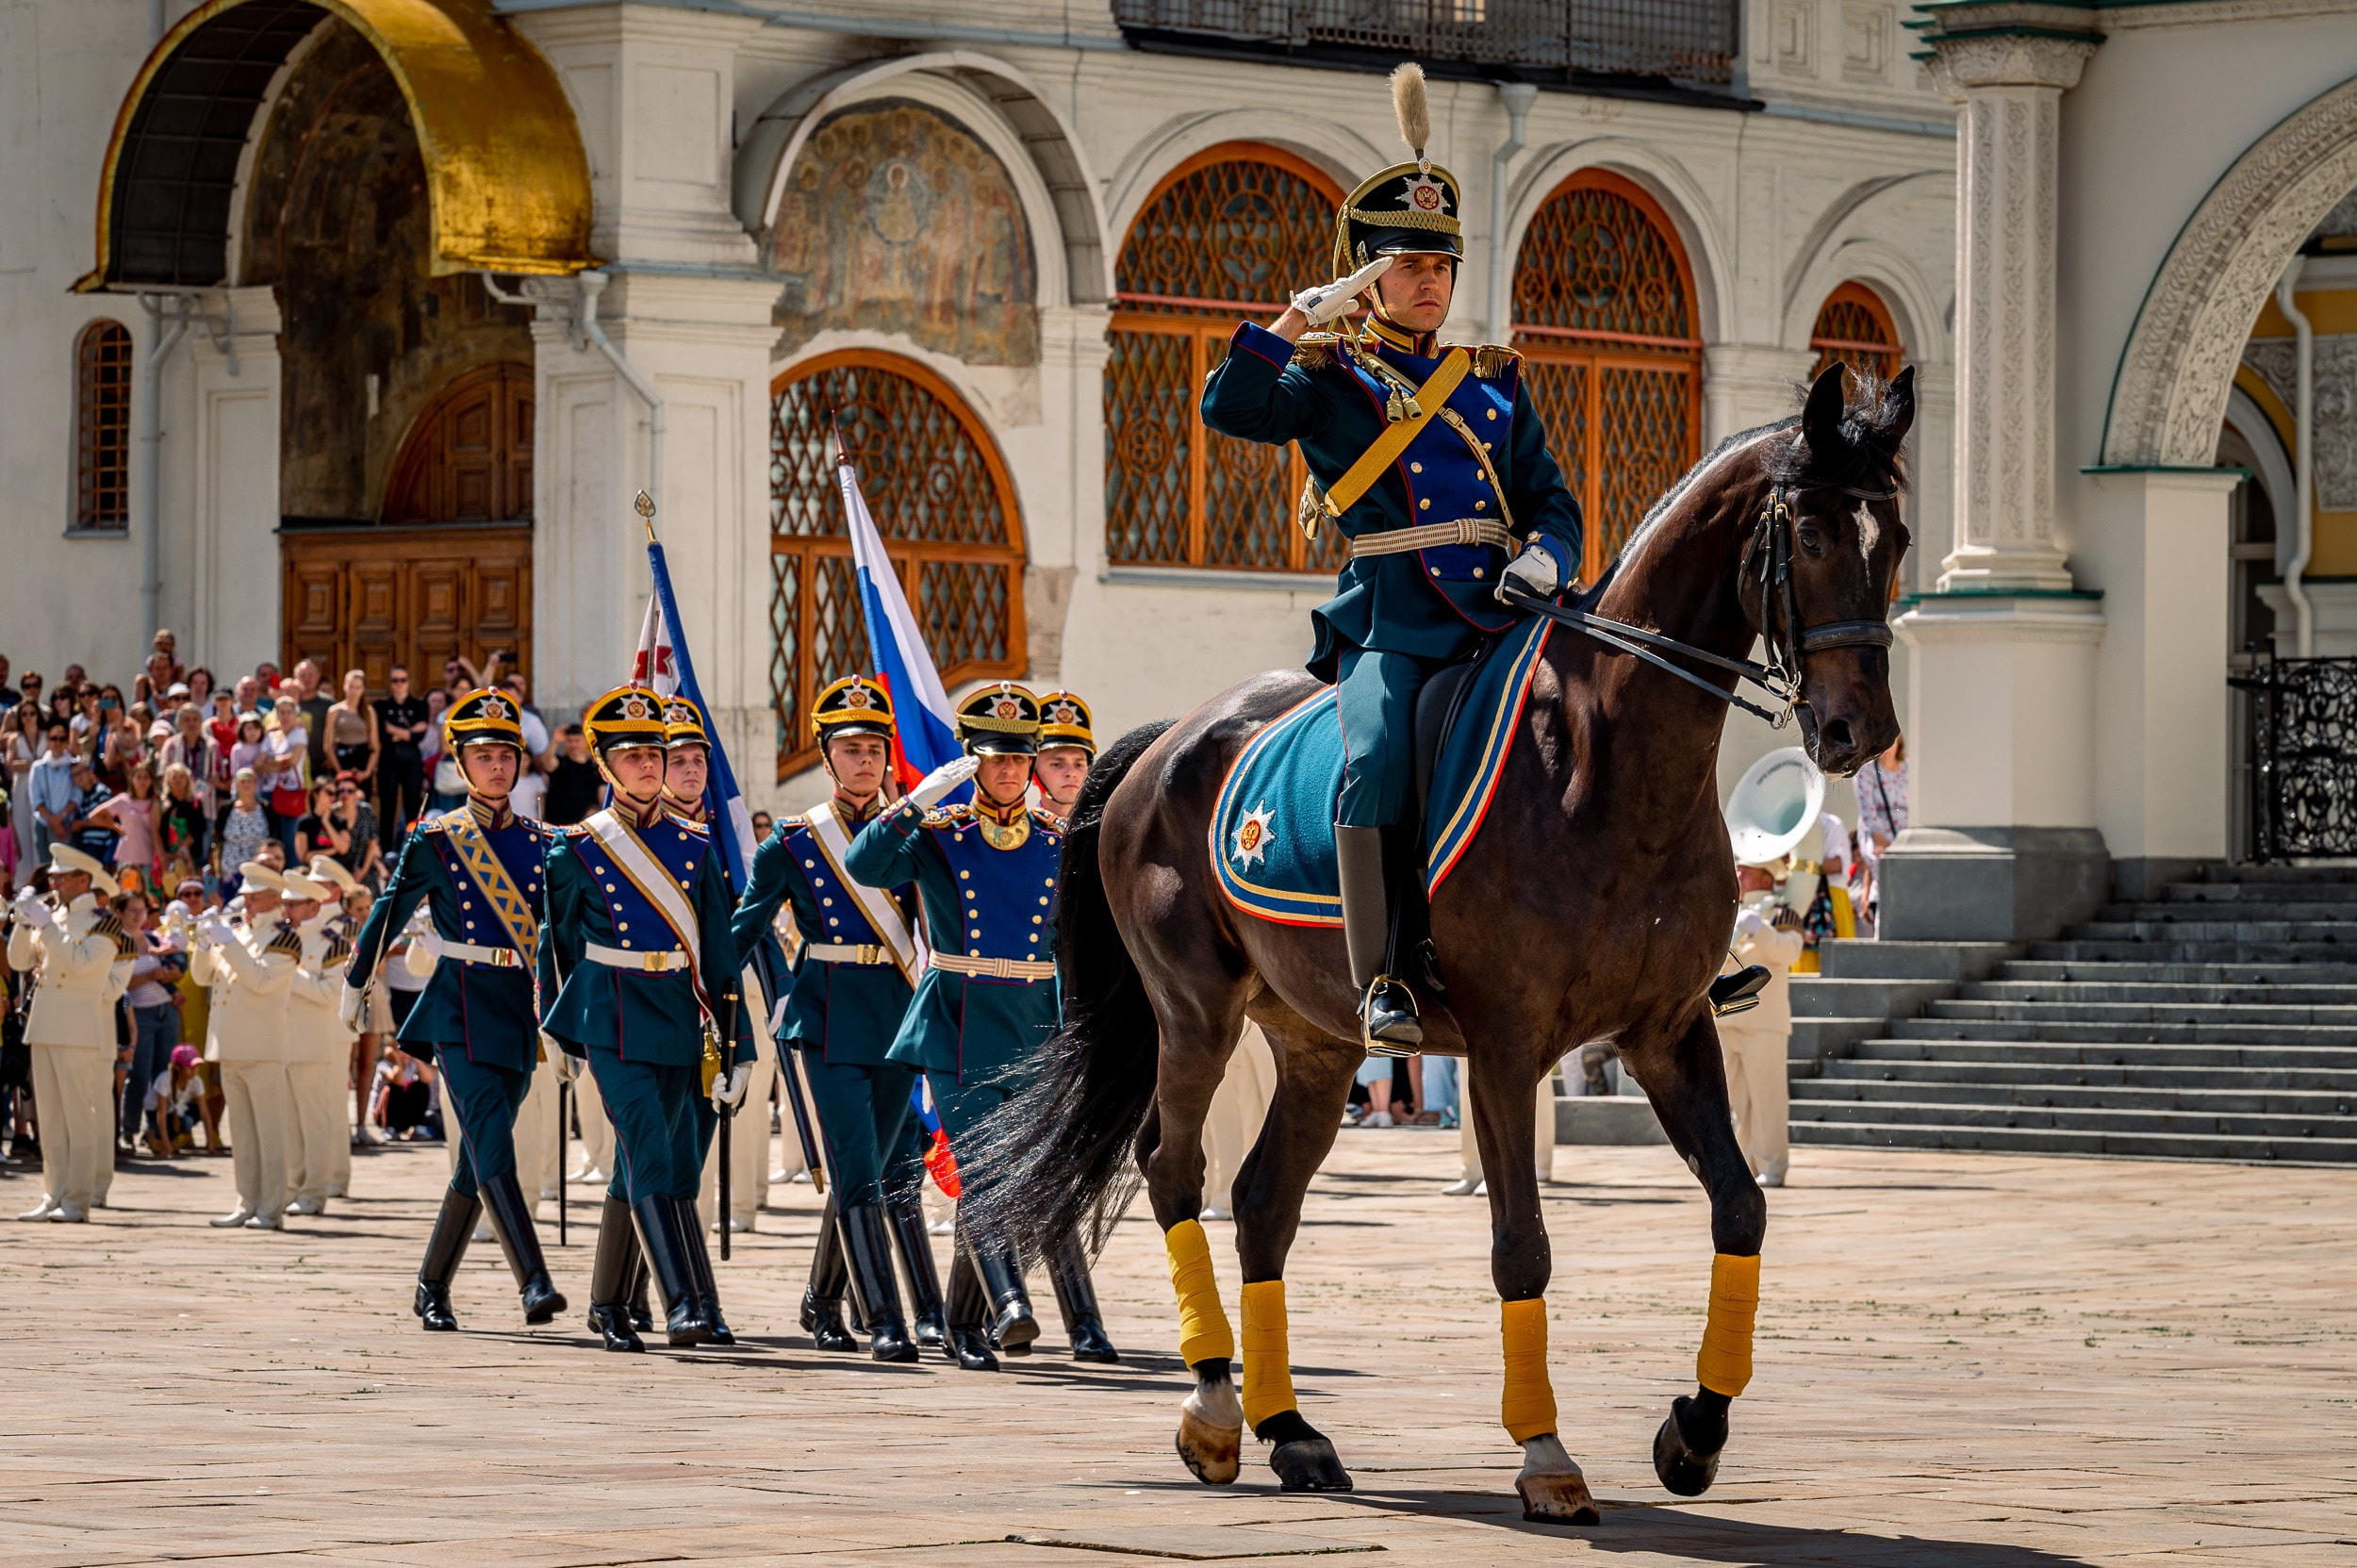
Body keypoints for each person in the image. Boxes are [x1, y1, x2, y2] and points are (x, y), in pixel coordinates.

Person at [1197, 67, 1584, 1049]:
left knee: (1617, 715)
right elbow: (1230, 409)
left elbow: (1551, 497)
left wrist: (1546, 554)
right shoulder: (1328, 378)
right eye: (1405, 267)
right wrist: (1293, 320)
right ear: (1366, 275)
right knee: (1372, 760)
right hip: (1395, 618)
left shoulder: (1494, 385)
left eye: (1439, 267)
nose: (1428, 282)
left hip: (1507, 611)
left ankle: (1652, 949)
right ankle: (1383, 982)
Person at [846, 684, 1116, 1369]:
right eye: (996, 759)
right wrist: (916, 801)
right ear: (972, 761)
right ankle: (1011, 1302)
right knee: (983, 1168)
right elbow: (864, 864)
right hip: (958, 1018)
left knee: (1019, 1170)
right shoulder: (941, 836)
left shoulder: (1058, 841)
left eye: (1020, 760)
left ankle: (965, 1325)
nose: (1010, 771)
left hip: (1031, 1022)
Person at [342, 688, 566, 1331]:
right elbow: (388, 907)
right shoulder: (437, 837)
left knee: (476, 1159)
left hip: (518, 1012)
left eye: (507, 755)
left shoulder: (541, 841)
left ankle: (430, 1283)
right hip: (458, 1009)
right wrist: (356, 978)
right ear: (460, 765)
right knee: (492, 1139)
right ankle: (535, 1279)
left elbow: (560, 931)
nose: (498, 767)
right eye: (484, 755)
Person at [537, 685, 745, 1353]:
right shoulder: (577, 849)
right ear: (603, 766)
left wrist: (735, 1045)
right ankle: (683, 1300)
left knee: (657, 1164)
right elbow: (557, 946)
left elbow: (717, 948)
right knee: (649, 1149)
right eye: (631, 756)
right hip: (613, 1017)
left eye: (655, 752)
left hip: (679, 1016)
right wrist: (559, 1029)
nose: (649, 765)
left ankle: (607, 1303)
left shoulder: (695, 845)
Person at [731, 676, 925, 1362]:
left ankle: (821, 1296)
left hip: (897, 1016)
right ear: (826, 757)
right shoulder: (791, 842)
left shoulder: (913, 836)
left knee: (863, 1166)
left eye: (875, 747)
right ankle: (885, 1317)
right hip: (828, 1017)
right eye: (851, 748)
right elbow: (743, 930)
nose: (865, 760)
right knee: (857, 1168)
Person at [654, 696, 774, 1253]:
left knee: (693, 1156)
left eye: (699, 759)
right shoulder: (637, 841)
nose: (692, 769)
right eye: (678, 760)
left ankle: (689, 1279)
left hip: (710, 1014)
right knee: (649, 1160)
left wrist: (741, 1043)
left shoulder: (719, 840)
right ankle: (627, 1290)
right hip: (648, 1013)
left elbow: (731, 942)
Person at [7, 845, 137, 1220]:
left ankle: (78, 1199)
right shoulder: (56, 917)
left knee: (79, 1116)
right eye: (54, 877)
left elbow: (81, 965)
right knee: (49, 1118)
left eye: (62, 877)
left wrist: (45, 927)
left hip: (78, 1027)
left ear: (83, 881)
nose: (54, 882)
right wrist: (22, 921)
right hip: (45, 1023)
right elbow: (19, 961)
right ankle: (54, 1193)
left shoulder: (103, 923)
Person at [190, 863, 301, 1230]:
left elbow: (262, 981)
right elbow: (202, 977)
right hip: (230, 1043)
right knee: (242, 1132)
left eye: (254, 898)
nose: (247, 904)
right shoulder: (238, 933)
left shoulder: (284, 938)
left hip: (263, 1045)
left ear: (274, 899)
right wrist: (204, 945)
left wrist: (229, 943)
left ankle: (271, 1208)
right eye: (246, 898)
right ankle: (246, 1200)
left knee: (269, 1131)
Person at [1720, 858, 1806, 1187]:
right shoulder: (1729, 910)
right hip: (1728, 1017)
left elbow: (1790, 953)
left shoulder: (1783, 913)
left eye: (1746, 871)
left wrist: (1762, 929)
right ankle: (1743, 1165)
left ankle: (1773, 1165)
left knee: (1767, 1098)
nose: (1738, 874)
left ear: (1767, 878)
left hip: (1764, 1021)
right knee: (1735, 1102)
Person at [277, 870, 351, 1215]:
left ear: (312, 906)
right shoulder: (279, 938)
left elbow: (330, 994)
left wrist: (289, 974)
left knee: (314, 1121)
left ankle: (315, 1191)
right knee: (288, 1124)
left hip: (313, 1042)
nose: (286, 911)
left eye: (293, 904)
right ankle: (293, 1186)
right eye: (284, 904)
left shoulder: (331, 942)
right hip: (281, 1041)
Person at [116, 888, 185, 1149]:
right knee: (140, 1074)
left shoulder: (153, 937)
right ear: (119, 913)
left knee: (163, 1075)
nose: (138, 916)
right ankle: (129, 1130)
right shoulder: (117, 942)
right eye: (132, 910)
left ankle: (159, 1130)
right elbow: (119, 984)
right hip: (139, 1014)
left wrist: (172, 976)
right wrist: (150, 976)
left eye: (142, 910)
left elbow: (174, 968)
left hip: (165, 1011)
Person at [373, 666, 429, 849]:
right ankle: (386, 851)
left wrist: (395, 730)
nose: (399, 684)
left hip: (411, 761)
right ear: (390, 683)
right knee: (387, 809)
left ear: (409, 682)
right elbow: (382, 735)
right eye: (395, 680)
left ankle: (413, 849)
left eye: (402, 680)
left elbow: (419, 736)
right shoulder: (381, 706)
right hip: (388, 761)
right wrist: (408, 732)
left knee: (413, 808)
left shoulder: (419, 705)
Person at [26, 722, 79, 866]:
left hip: (66, 824)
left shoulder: (74, 765)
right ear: (47, 741)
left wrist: (60, 818)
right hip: (44, 823)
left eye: (62, 739)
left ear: (67, 742)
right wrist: (53, 822)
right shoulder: (38, 767)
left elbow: (77, 797)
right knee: (45, 866)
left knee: (66, 866)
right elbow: (35, 799)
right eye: (54, 738)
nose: (58, 743)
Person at [542, 723, 602, 827]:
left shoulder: (595, 768)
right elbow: (547, 763)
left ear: (585, 741)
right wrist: (555, 741)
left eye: (577, 741)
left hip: (585, 827)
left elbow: (602, 797)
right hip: (557, 826)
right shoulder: (560, 763)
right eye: (570, 741)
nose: (573, 745)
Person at [325, 668, 378, 786]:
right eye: (351, 686)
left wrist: (367, 772)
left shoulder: (369, 712)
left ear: (363, 689)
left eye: (358, 687)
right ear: (344, 686)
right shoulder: (334, 711)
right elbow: (328, 746)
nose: (354, 691)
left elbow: (374, 747)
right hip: (342, 758)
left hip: (362, 759)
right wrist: (340, 771)